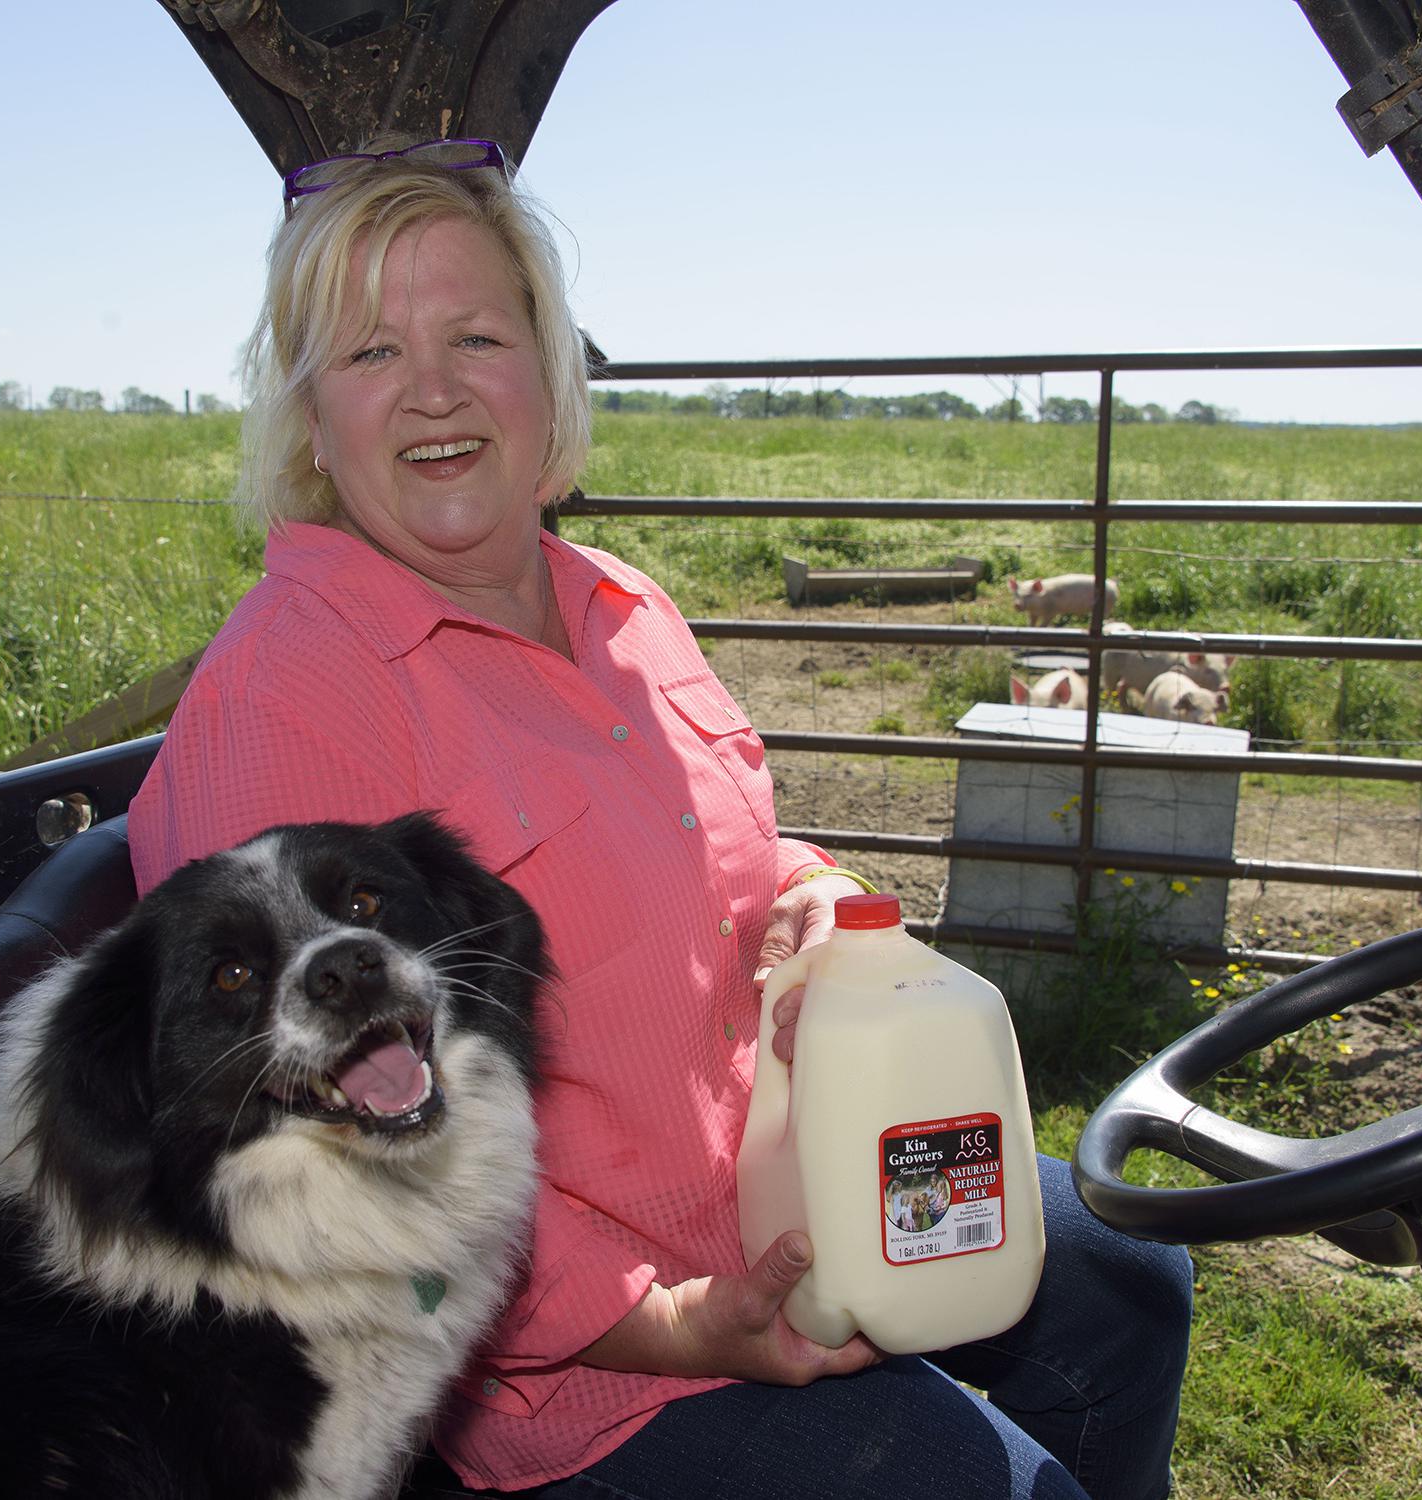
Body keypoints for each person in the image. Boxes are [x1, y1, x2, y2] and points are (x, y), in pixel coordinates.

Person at [125, 135, 1192, 1500]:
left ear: (551, 366)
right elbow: (306, 1154)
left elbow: (724, 854)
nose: (435, 391)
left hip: (766, 1175)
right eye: (370, 354)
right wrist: (675, 1323)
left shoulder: (618, 604)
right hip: (566, 1369)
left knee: (1121, 1279)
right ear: (308, 415)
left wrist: (815, 896)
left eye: (477, 335)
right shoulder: (298, 689)